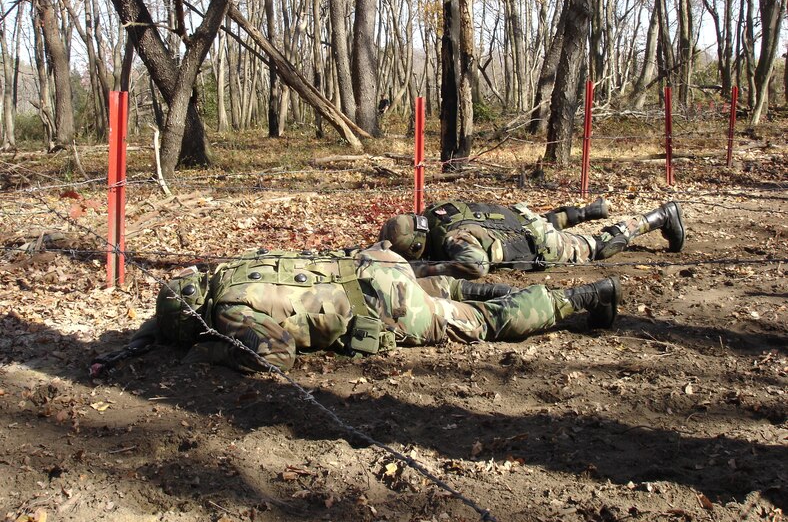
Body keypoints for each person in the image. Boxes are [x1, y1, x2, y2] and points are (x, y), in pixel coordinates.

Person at [90, 242, 622, 375]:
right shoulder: (231, 268)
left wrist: (209, 353)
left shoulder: (229, 314)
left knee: (482, 326)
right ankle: (487, 289)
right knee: (446, 296)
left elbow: (275, 356)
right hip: (374, 263)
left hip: (382, 305)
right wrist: (144, 337)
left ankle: (581, 297)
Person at [378, 198, 685, 279]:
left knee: (597, 247)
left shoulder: (453, 240)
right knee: (540, 224)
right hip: (520, 218)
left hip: (539, 242)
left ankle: (657, 217)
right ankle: (589, 211)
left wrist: (420, 270)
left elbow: (476, 266)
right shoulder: (436, 214)